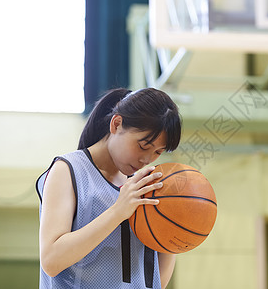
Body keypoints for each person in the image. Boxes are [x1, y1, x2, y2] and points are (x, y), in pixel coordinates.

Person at [35, 88, 182, 289]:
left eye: (158, 152)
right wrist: (117, 212)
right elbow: (51, 261)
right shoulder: (68, 170)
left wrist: (173, 237)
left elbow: (154, 282)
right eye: (143, 146)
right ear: (116, 124)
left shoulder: (145, 185)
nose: (146, 159)